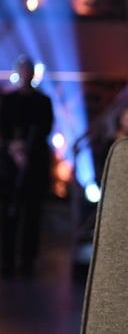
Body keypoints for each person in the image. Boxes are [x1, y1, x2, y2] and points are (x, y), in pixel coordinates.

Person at [0, 55, 55, 278]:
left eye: (28, 70)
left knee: (33, 216)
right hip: (9, 169)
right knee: (9, 217)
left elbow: (45, 129)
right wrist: (13, 148)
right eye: (22, 70)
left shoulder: (44, 101)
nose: (25, 74)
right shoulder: (8, 100)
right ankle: (7, 260)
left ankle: (28, 261)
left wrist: (26, 150)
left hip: (34, 166)